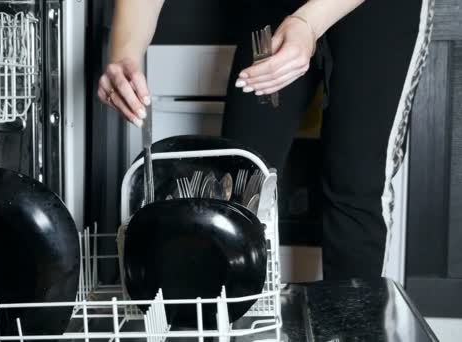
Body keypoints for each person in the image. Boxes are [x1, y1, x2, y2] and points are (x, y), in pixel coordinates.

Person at [98, 0, 433, 280]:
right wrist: (124, 54)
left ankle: (353, 328)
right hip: (277, 5)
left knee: (356, 184)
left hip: (378, 10)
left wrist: (308, 22)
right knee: (241, 178)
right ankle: (236, 322)